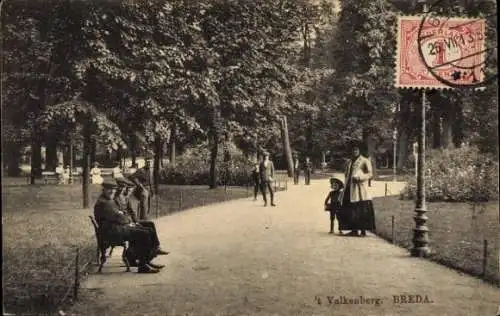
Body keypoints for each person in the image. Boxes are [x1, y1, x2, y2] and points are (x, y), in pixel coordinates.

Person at [93, 180, 161, 273]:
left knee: (147, 230)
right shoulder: (106, 203)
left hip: (114, 229)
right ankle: (143, 265)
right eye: (109, 190)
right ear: (103, 189)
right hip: (113, 231)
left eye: (113, 190)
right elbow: (119, 218)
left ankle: (144, 261)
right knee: (144, 233)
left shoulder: (106, 200)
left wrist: (125, 219)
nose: (112, 192)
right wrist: (128, 221)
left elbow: (121, 215)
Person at [114, 180, 169, 269]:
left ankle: (156, 247)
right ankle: (144, 260)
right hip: (124, 224)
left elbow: (131, 211)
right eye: (121, 188)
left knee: (150, 224)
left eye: (125, 188)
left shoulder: (124, 197)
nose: (124, 190)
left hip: (128, 222)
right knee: (145, 232)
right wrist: (131, 223)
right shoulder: (114, 199)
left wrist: (136, 222)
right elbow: (118, 215)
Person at [339, 141, 376, 237]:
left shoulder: (364, 160)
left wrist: (360, 177)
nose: (354, 151)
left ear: (359, 150)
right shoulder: (350, 161)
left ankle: (363, 230)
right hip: (349, 187)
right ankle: (354, 229)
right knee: (351, 208)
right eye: (353, 149)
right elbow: (347, 173)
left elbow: (370, 174)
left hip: (359, 188)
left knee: (361, 208)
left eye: (356, 149)